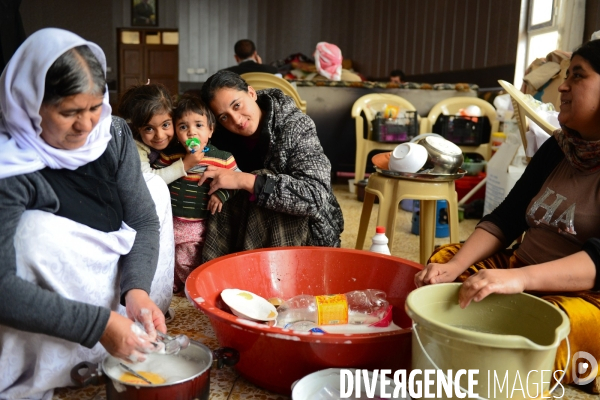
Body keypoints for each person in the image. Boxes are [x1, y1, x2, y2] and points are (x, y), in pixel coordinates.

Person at [415, 39, 600, 390]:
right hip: (520, 269)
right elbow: (506, 218)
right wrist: (455, 268)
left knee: (553, 336)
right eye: (566, 75)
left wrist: (521, 281)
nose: (562, 85)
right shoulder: (558, 148)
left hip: (584, 297)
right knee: (441, 268)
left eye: (578, 76)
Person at [0, 28, 174, 399]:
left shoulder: (112, 134)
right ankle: (66, 360)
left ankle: (130, 322)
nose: (86, 125)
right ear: (29, 104)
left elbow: (143, 220)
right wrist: (98, 324)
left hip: (112, 267)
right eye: (69, 112)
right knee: (32, 233)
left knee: (155, 190)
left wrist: (137, 290)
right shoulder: (9, 167)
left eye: (95, 107)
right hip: (58, 283)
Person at [198, 70, 344, 261]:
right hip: (248, 226)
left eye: (237, 105)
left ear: (251, 93)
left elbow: (314, 196)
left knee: (261, 179)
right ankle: (222, 272)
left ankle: (263, 277)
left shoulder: (295, 126)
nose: (236, 119)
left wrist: (245, 180)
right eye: (224, 117)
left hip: (308, 232)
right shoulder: (220, 136)